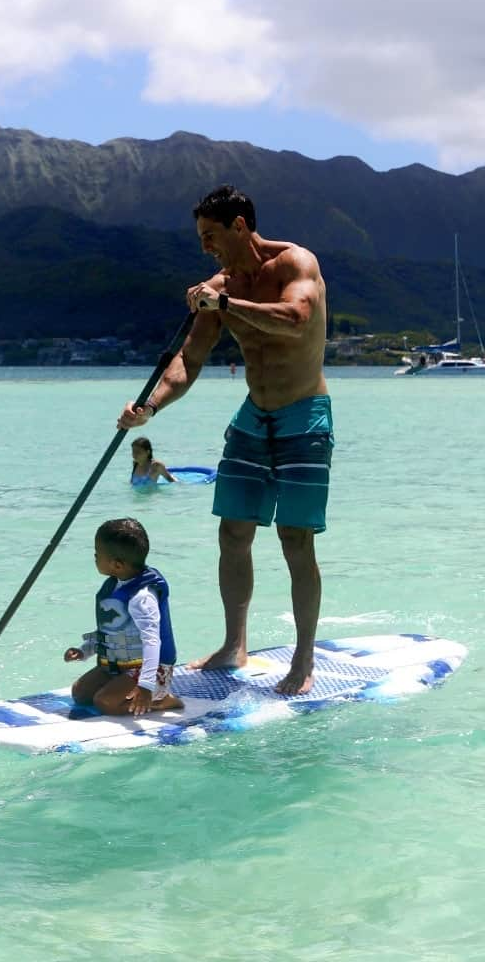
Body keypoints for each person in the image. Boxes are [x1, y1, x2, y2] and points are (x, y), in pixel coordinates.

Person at [118, 184, 332, 696]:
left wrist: (226, 302)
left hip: (305, 417)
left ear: (241, 225)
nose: (204, 247)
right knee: (232, 533)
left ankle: (303, 658)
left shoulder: (295, 263)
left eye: (210, 235)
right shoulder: (219, 287)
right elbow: (188, 361)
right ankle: (235, 644)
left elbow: (296, 319)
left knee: (293, 540)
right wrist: (149, 406)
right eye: (200, 237)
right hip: (254, 416)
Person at [63, 517, 183, 716]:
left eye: (97, 554)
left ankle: (161, 699)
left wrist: (145, 686)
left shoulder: (141, 598)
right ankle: (122, 684)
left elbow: (152, 642)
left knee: (105, 702)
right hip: (118, 665)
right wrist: (84, 651)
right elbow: (113, 632)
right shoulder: (115, 584)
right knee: (80, 693)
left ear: (117, 565)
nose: (94, 557)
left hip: (151, 670)